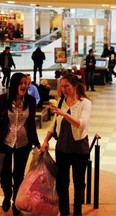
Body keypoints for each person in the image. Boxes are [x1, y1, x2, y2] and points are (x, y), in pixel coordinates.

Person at [40, 73, 92, 216]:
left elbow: (82, 124)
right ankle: (64, 212)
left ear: (75, 86)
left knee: (79, 183)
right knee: (62, 183)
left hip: (79, 149)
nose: (64, 89)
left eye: (67, 86)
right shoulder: (61, 101)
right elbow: (53, 124)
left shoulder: (85, 103)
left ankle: (77, 212)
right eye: (62, 86)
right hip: (62, 149)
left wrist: (64, 114)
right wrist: (45, 141)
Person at [0, 72, 40, 216]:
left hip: (23, 143)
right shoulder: (2, 99)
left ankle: (15, 202)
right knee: (5, 174)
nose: (24, 85)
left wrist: (36, 142)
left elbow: (31, 123)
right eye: (21, 83)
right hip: (5, 141)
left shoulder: (30, 101)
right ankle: (7, 194)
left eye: (26, 83)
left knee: (19, 175)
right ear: (14, 85)